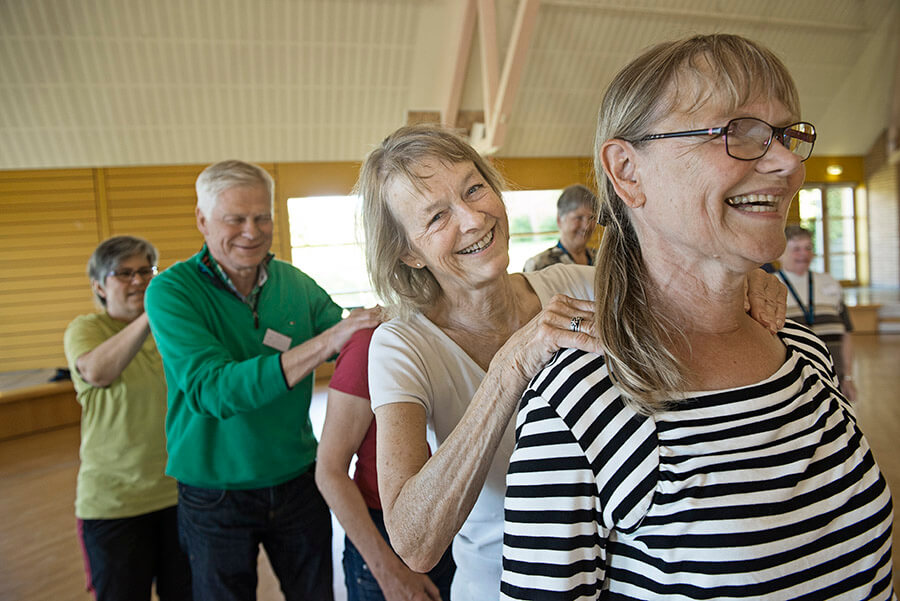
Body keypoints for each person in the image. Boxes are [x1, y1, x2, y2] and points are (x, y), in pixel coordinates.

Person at [501, 34, 894, 600]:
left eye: (787, 134)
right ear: (628, 171)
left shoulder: (798, 348)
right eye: (738, 131)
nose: (786, 163)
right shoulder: (580, 402)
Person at [358, 124, 788, 601]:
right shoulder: (401, 346)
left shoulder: (580, 286)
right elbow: (415, 544)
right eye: (438, 216)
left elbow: (693, 279)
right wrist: (510, 367)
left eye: (474, 188)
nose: (474, 219)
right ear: (408, 254)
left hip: (623, 577)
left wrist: (745, 279)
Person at [144, 160, 381, 601]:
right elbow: (213, 390)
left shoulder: (293, 282)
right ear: (202, 220)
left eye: (262, 217)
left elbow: (352, 341)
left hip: (297, 479)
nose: (252, 231)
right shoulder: (170, 292)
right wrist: (331, 337)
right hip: (215, 492)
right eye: (235, 219)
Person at [63, 235, 191, 601]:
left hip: (181, 495)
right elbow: (99, 371)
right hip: (113, 504)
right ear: (99, 286)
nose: (138, 281)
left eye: (145, 271)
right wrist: (153, 312)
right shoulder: (86, 329)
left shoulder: (173, 330)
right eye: (123, 273)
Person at [316, 327, 455, 601]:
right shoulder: (369, 342)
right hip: (385, 533)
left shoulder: (452, 330)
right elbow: (329, 471)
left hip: (455, 522)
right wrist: (387, 570)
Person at [777, 224, 857, 402]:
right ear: (780, 254)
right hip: (792, 384)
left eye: (808, 248)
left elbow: (846, 334)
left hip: (833, 378)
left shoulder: (829, 283)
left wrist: (848, 376)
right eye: (796, 249)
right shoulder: (770, 287)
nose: (803, 254)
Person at [523, 184, 598, 271]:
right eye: (579, 218)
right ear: (559, 220)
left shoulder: (603, 260)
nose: (586, 226)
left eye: (592, 218)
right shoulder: (538, 265)